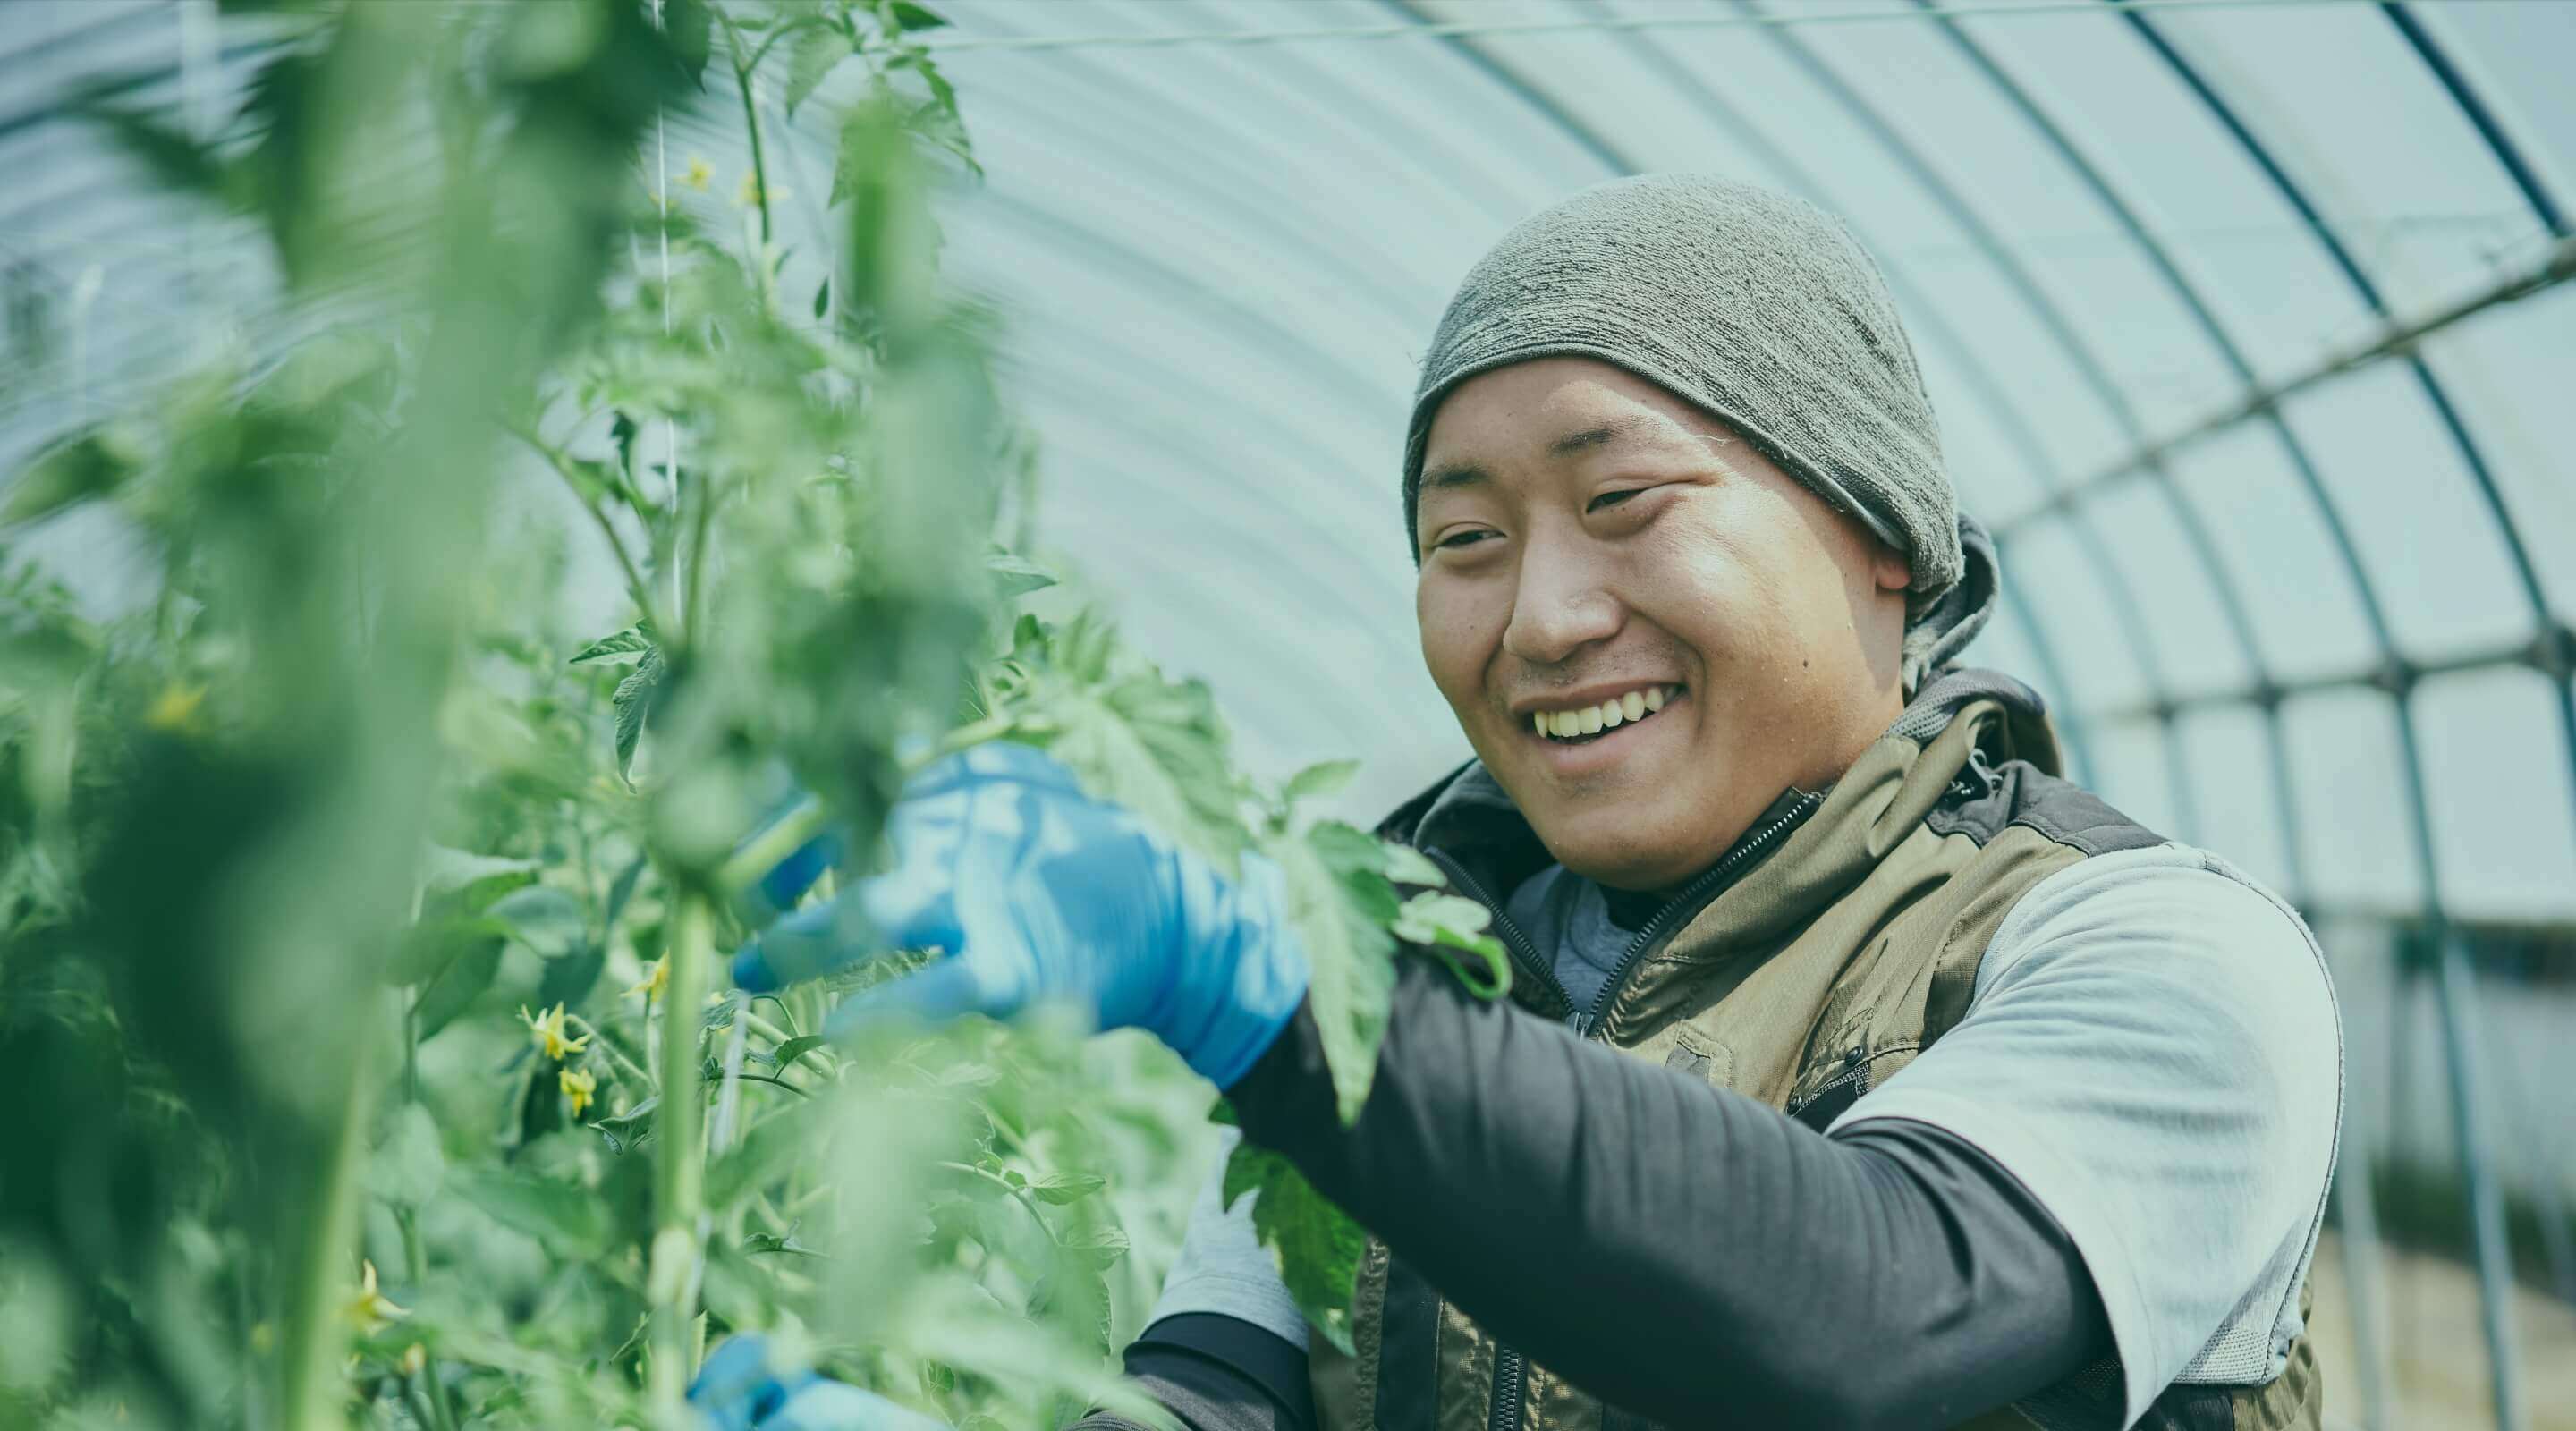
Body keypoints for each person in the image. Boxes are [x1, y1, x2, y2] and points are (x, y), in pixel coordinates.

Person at [691, 175, 2343, 1431]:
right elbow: (1231, 1387)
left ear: (1885, 541)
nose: (1541, 618)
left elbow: (1875, 1307)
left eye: (1623, 501)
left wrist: (1281, 1006)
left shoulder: (2148, 952)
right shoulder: (1413, 948)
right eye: (1463, 541)